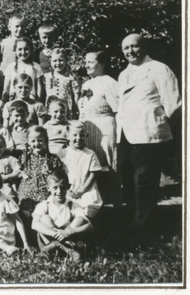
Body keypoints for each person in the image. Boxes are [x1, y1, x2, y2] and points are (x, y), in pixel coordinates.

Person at [117, 34, 181, 231]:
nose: (130, 52)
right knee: (128, 183)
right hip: (126, 136)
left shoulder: (159, 69)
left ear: (144, 47)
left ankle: (145, 230)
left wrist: (161, 128)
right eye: (126, 48)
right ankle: (133, 225)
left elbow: (174, 105)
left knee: (145, 184)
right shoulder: (123, 74)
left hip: (149, 136)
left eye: (135, 47)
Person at [78, 51, 120, 207]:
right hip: (88, 130)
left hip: (105, 130)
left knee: (109, 165)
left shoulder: (109, 82)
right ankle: (94, 203)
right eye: (86, 62)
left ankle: (115, 203)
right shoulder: (87, 84)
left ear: (102, 64)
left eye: (90, 62)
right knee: (91, 166)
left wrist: (119, 135)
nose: (86, 65)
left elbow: (118, 110)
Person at [32, 169, 94, 263]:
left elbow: (90, 226)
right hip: (49, 243)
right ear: (48, 188)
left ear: (68, 187)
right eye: (55, 188)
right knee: (45, 218)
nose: (59, 191)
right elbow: (34, 224)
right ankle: (68, 251)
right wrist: (55, 233)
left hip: (69, 240)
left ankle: (58, 247)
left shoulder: (73, 205)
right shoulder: (43, 205)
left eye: (62, 187)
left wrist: (69, 232)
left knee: (79, 219)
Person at [57, 121, 103, 218]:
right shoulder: (62, 153)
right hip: (68, 189)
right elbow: (58, 174)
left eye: (82, 135)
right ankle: (72, 228)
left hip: (86, 188)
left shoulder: (90, 154)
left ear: (86, 136)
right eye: (75, 135)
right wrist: (65, 189)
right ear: (67, 136)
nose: (78, 138)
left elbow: (93, 174)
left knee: (87, 208)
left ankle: (81, 226)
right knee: (64, 210)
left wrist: (82, 190)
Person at [2, 37, 43, 103]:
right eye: (20, 49)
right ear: (15, 51)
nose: (23, 52)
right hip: (14, 100)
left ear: (31, 50)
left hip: (31, 100)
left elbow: (39, 87)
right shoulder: (11, 67)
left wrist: (38, 101)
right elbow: (6, 88)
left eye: (26, 49)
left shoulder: (36, 66)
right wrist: (4, 102)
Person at [39, 48, 77, 114]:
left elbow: (75, 96)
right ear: (50, 62)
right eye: (55, 61)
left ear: (66, 61)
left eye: (61, 60)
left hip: (65, 111)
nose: (58, 63)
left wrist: (75, 110)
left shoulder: (70, 78)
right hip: (50, 112)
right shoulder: (46, 77)